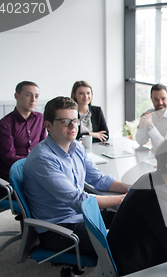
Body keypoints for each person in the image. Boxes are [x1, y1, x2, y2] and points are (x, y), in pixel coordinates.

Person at [23, 96, 128, 257]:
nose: (73, 126)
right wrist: (123, 199)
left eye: (75, 120)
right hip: (59, 228)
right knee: (123, 244)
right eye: (65, 121)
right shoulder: (42, 159)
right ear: (48, 125)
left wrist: (130, 187)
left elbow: (98, 180)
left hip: (81, 215)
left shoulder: (76, 147)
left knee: (134, 222)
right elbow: (79, 201)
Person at [107, 136, 167, 276]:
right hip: (132, 275)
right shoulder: (156, 196)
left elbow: (151, 218)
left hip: (127, 259)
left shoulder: (149, 178)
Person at [0, 81, 46, 181]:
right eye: (28, 95)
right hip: (13, 173)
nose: (33, 100)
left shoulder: (40, 119)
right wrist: (35, 161)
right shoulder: (4, 125)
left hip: (36, 169)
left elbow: (43, 147)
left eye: (36, 96)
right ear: (17, 96)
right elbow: (9, 159)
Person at [135, 83, 167, 149]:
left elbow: (166, 147)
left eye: (163, 99)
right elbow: (141, 142)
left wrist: (151, 126)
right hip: (155, 155)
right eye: (156, 99)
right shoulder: (150, 114)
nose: (160, 103)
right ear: (151, 99)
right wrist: (141, 125)